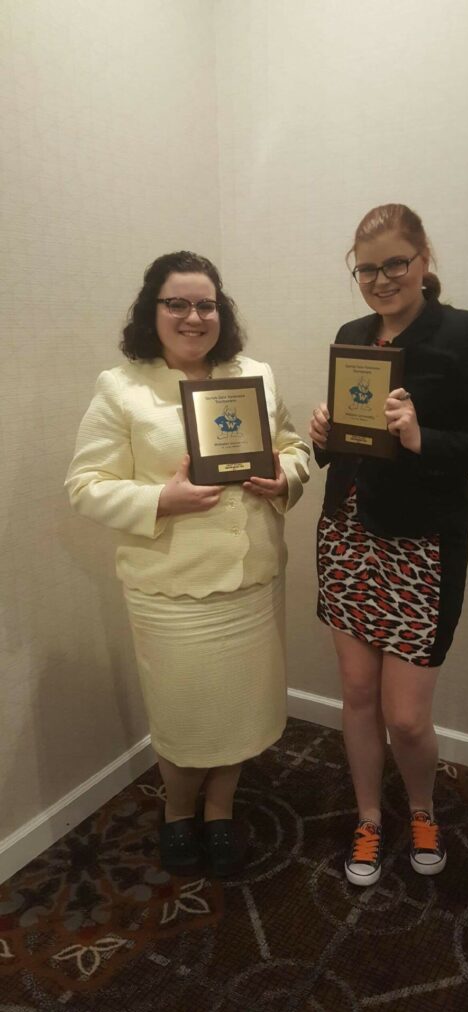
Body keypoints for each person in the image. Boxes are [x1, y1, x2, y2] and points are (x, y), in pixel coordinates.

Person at [66, 251, 310, 877]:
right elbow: (85, 485)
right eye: (177, 303)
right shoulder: (120, 388)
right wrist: (158, 500)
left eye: (205, 303)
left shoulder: (254, 374)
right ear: (154, 311)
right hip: (171, 588)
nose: (193, 316)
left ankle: (220, 809)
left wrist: (284, 473)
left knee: (240, 708)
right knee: (183, 712)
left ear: (219, 312)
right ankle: (178, 811)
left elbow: (295, 447)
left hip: (249, 580)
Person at [310, 204, 468, 886]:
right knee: (356, 694)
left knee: (406, 719)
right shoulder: (352, 333)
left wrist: (422, 438)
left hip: (421, 548)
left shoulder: (465, 334)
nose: (381, 280)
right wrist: (324, 437)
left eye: (395, 263)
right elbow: (350, 441)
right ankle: (371, 818)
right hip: (347, 535)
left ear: (424, 258)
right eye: (367, 268)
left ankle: (424, 807)